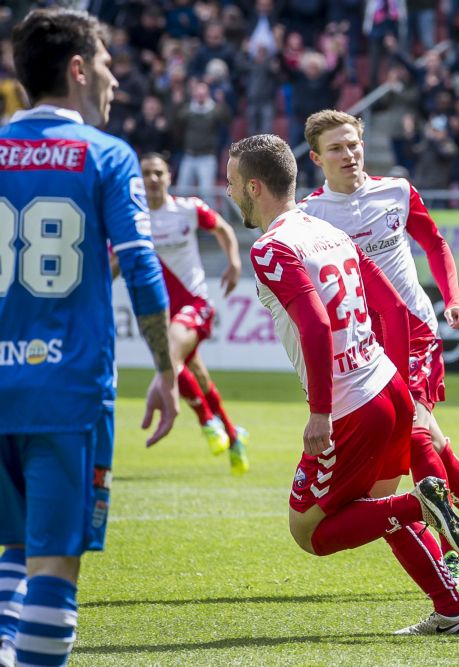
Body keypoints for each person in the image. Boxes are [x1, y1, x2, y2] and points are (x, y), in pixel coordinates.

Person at [228, 133, 459, 635]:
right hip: (387, 385)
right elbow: (390, 302)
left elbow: (317, 326)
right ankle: (452, 610)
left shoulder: (272, 248)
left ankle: (422, 502)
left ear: (254, 187)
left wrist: (319, 412)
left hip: (350, 407)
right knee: (378, 510)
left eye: (232, 182)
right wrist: (401, 381)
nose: (228, 190)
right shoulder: (328, 232)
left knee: (309, 532)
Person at [0, 10, 179, 666]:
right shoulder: (105, 155)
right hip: (65, 393)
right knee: (54, 561)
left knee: (15, 545)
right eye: (105, 65)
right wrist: (168, 370)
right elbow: (140, 265)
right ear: (78, 69)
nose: (114, 82)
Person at [298, 109, 459, 594]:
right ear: (316, 158)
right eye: (336, 148)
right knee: (427, 441)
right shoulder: (309, 215)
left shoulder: (396, 190)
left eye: (353, 144)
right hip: (362, 344)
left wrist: (453, 300)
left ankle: (453, 552)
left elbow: (435, 244)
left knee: (415, 435)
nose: (349, 154)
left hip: (414, 330)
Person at [141, 153, 250, 474]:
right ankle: (232, 435)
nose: (153, 179)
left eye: (158, 172)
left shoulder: (187, 209)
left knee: (170, 358)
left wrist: (233, 262)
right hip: (160, 312)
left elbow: (223, 228)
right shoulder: (135, 218)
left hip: (195, 304)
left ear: (169, 176)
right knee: (196, 374)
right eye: (146, 173)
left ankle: (207, 423)